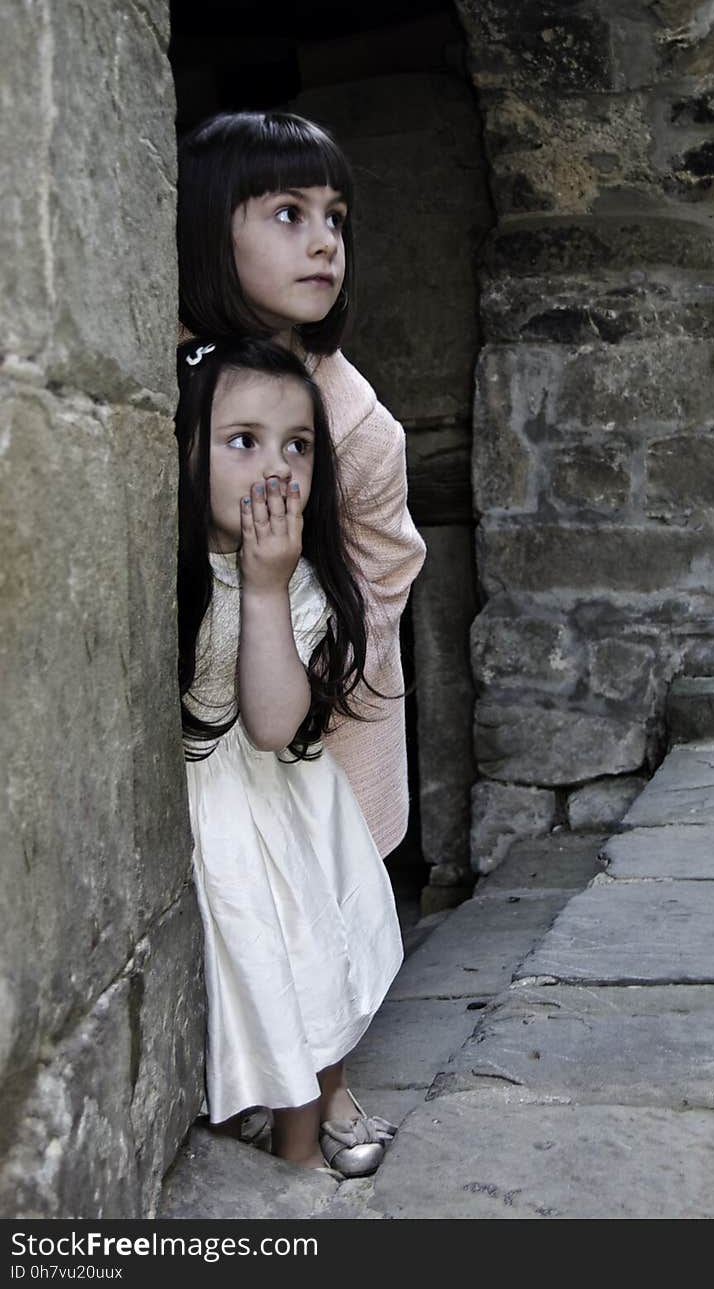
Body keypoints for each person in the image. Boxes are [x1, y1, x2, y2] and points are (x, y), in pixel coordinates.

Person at [176, 334, 403, 1175]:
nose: (276, 467)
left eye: (297, 446)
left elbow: (272, 723)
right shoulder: (178, 571)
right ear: (187, 451)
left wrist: (265, 586)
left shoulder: (298, 581)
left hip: (290, 809)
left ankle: (302, 1159)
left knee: (321, 965)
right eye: (244, 442)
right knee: (268, 983)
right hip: (226, 822)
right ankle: (276, 1137)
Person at [177, 110, 426, 861]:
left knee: (319, 940)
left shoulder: (360, 430)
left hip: (309, 730)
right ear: (206, 229)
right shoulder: (165, 377)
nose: (325, 241)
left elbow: (387, 573)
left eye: (335, 219)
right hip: (194, 734)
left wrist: (308, 674)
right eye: (290, 213)